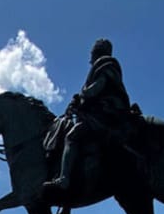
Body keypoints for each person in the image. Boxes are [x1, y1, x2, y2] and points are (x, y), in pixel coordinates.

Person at [43, 38, 143, 196]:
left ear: (97, 52)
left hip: (105, 113)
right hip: (102, 111)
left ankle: (64, 178)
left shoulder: (105, 64)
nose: (90, 56)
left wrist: (83, 95)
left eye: (92, 52)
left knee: (71, 137)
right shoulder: (106, 65)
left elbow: (97, 88)